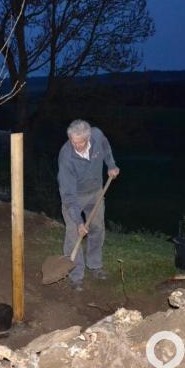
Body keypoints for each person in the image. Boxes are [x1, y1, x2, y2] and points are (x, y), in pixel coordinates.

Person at [57, 119, 120, 290]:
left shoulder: (97, 135)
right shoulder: (66, 156)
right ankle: (75, 275)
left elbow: (106, 148)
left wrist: (111, 165)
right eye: (73, 141)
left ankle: (95, 266)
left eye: (80, 142)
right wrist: (78, 222)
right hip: (74, 197)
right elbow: (68, 195)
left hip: (96, 192)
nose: (76, 146)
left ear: (88, 137)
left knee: (97, 228)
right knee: (73, 234)